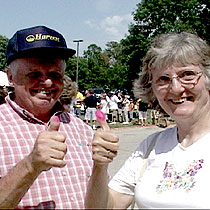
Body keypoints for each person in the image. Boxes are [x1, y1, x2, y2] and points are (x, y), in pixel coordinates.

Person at [85, 31, 210, 209]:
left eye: (187, 74)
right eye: (163, 79)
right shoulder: (151, 146)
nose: (175, 88)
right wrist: (100, 166)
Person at [0, 25, 94, 209]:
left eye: (55, 74)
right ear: (11, 77)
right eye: (34, 74)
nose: (48, 82)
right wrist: (31, 165)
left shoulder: (82, 129)